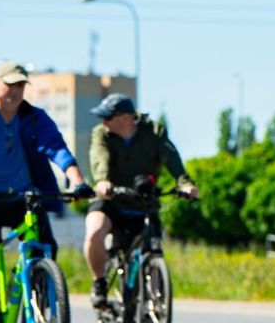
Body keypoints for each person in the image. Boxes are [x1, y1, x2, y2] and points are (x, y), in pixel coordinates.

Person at [0, 60, 92, 323]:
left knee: (44, 245)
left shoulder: (34, 118)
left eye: (20, 85)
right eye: (9, 84)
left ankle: (40, 308)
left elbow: (57, 149)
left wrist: (78, 181)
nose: (15, 91)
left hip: (20, 198)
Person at [82, 93, 198, 308]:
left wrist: (185, 183)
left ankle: (154, 301)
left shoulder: (154, 132)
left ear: (126, 118)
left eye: (108, 117)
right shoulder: (102, 133)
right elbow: (100, 157)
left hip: (143, 202)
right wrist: (103, 180)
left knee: (153, 246)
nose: (103, 122)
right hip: (111, 199)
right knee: (94, 231)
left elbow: (172, 158)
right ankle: (99, 282)